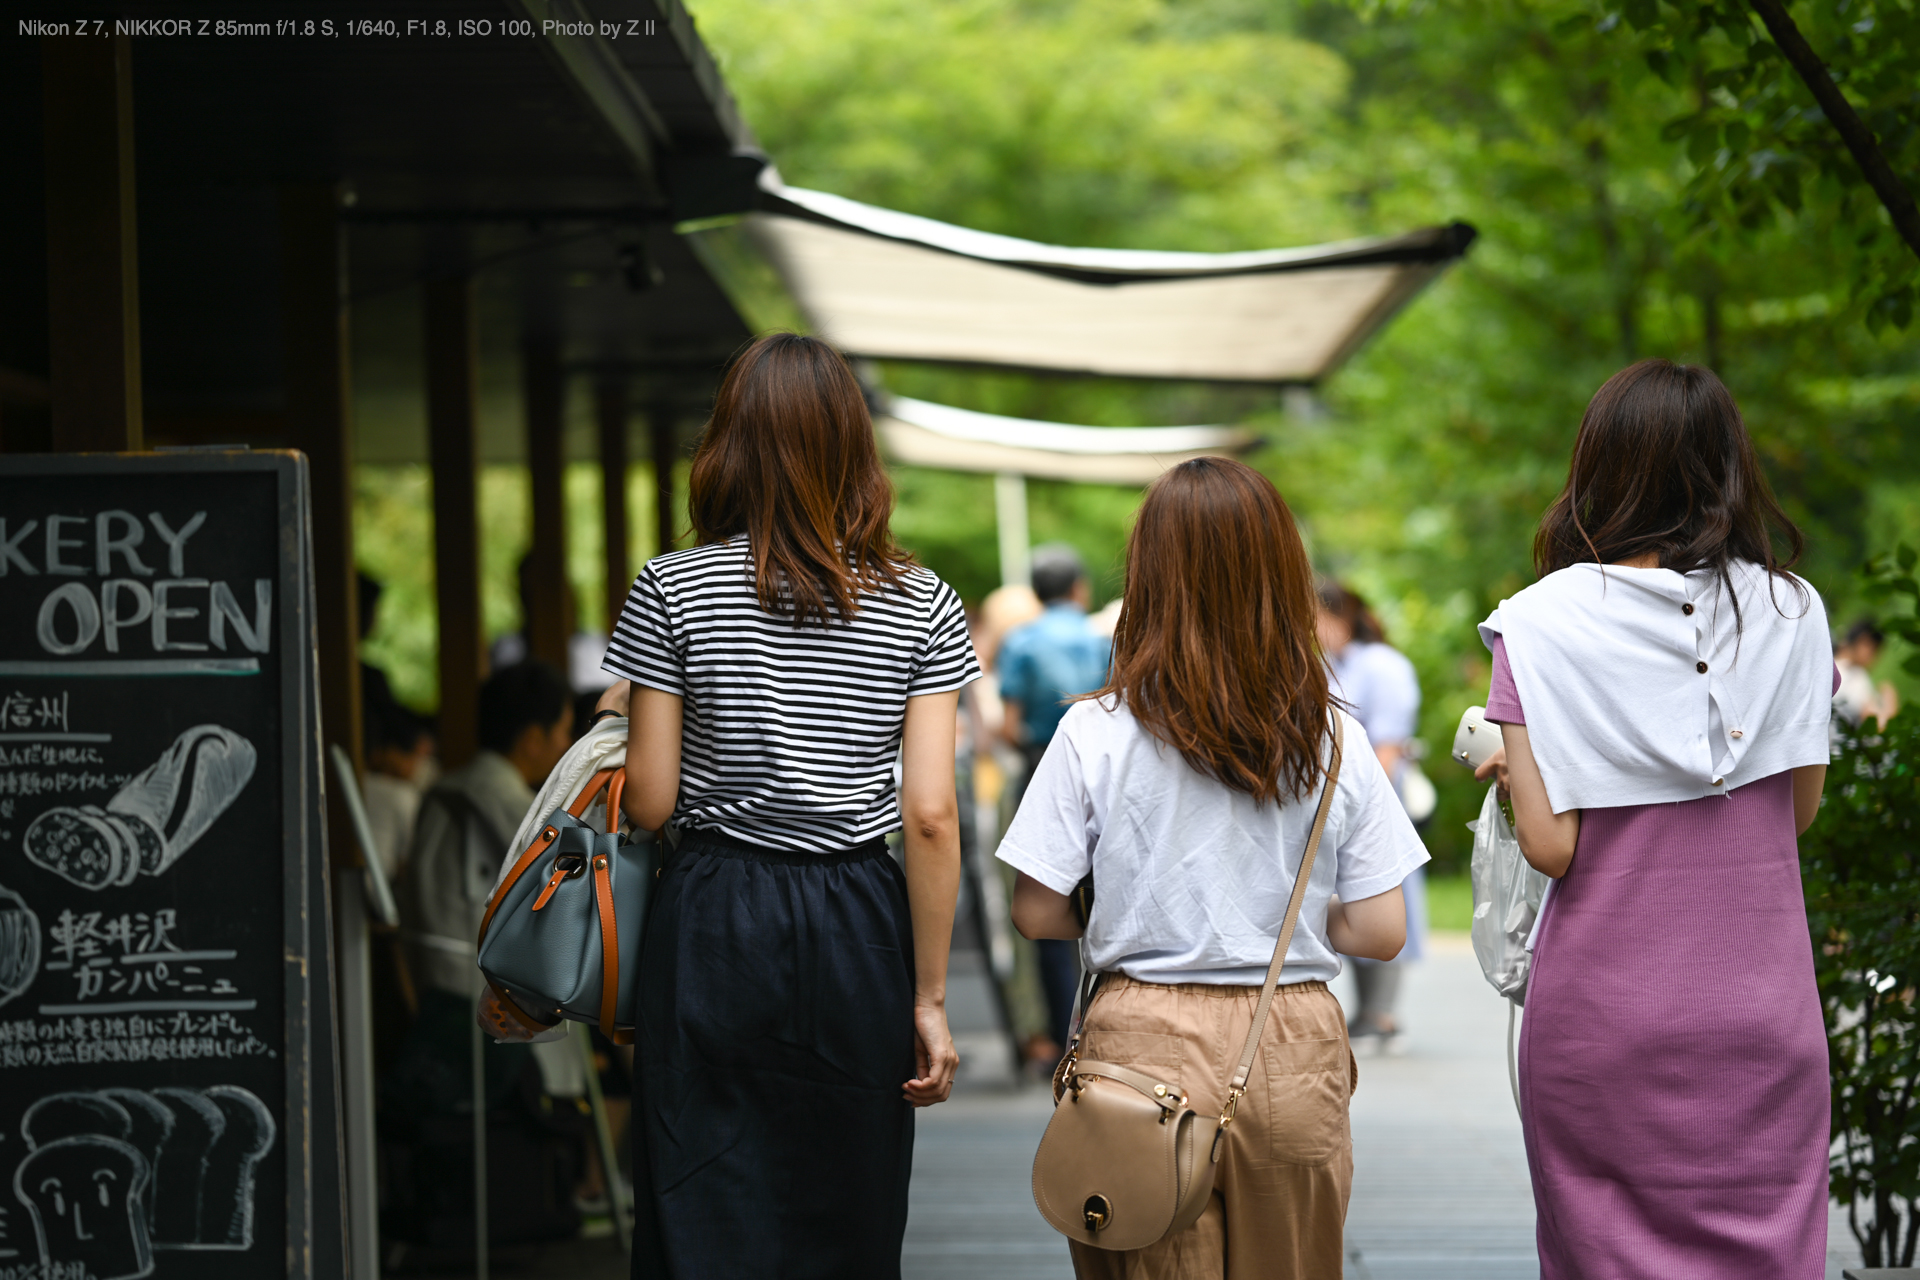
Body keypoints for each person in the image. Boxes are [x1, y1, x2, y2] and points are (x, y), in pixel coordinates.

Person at [595, 333, 979, 1278]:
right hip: (857, 919)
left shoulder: (668, 587)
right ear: (856, 451)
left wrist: (619, 717)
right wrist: (927, 998)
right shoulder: (924, 601)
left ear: (727, 446)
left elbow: (649, 802)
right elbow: (929, 811)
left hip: (713, 917)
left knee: (700, 1203)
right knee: (846, 1208)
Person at [999, 457, 1428, 1279]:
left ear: (1149, 576)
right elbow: (1379, 929)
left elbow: (1035, 911)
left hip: (1139, 1050)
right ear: (1281, 576)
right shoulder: (1335, 735)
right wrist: (1288, 921)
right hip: (1291, 1042)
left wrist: (1130, 907)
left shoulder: (1094, 731)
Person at [1474, 359, 1834, 1279]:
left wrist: (1509, 770)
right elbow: (1795, 813)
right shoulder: (1794, 611)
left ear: (1601, 467)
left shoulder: (1539, 624)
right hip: (1762, 1017)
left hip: (1604, 1025)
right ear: (1728, 466)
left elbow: (1552, 848)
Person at [998, 543, 1113, 1059]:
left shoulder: (1019, 641)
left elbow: (1007, 725)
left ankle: (1058, 1034)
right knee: (1108, 892)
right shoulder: (1099, 638)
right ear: (1079, 589)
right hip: (1109, 774)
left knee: (1045, 901)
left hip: (1042, 768)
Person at [1316, 580, 1426, 1054]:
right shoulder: (1334, 663)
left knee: (1379, 894)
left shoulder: (1382, 664)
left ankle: (1381, 1013)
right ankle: (1365, 1012)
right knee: (1350, 899)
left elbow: (1387, 745)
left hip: (1376, 794)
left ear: (1339, 617)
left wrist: (1360, 803)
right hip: (1341, 795)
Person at [1833, 616, 1898, 736]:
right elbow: (1879, 727)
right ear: (1865, 643)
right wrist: (1890, 701)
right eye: (1876, 652)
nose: (1875, 660)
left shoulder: (1827, 663)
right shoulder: (1856, 677)